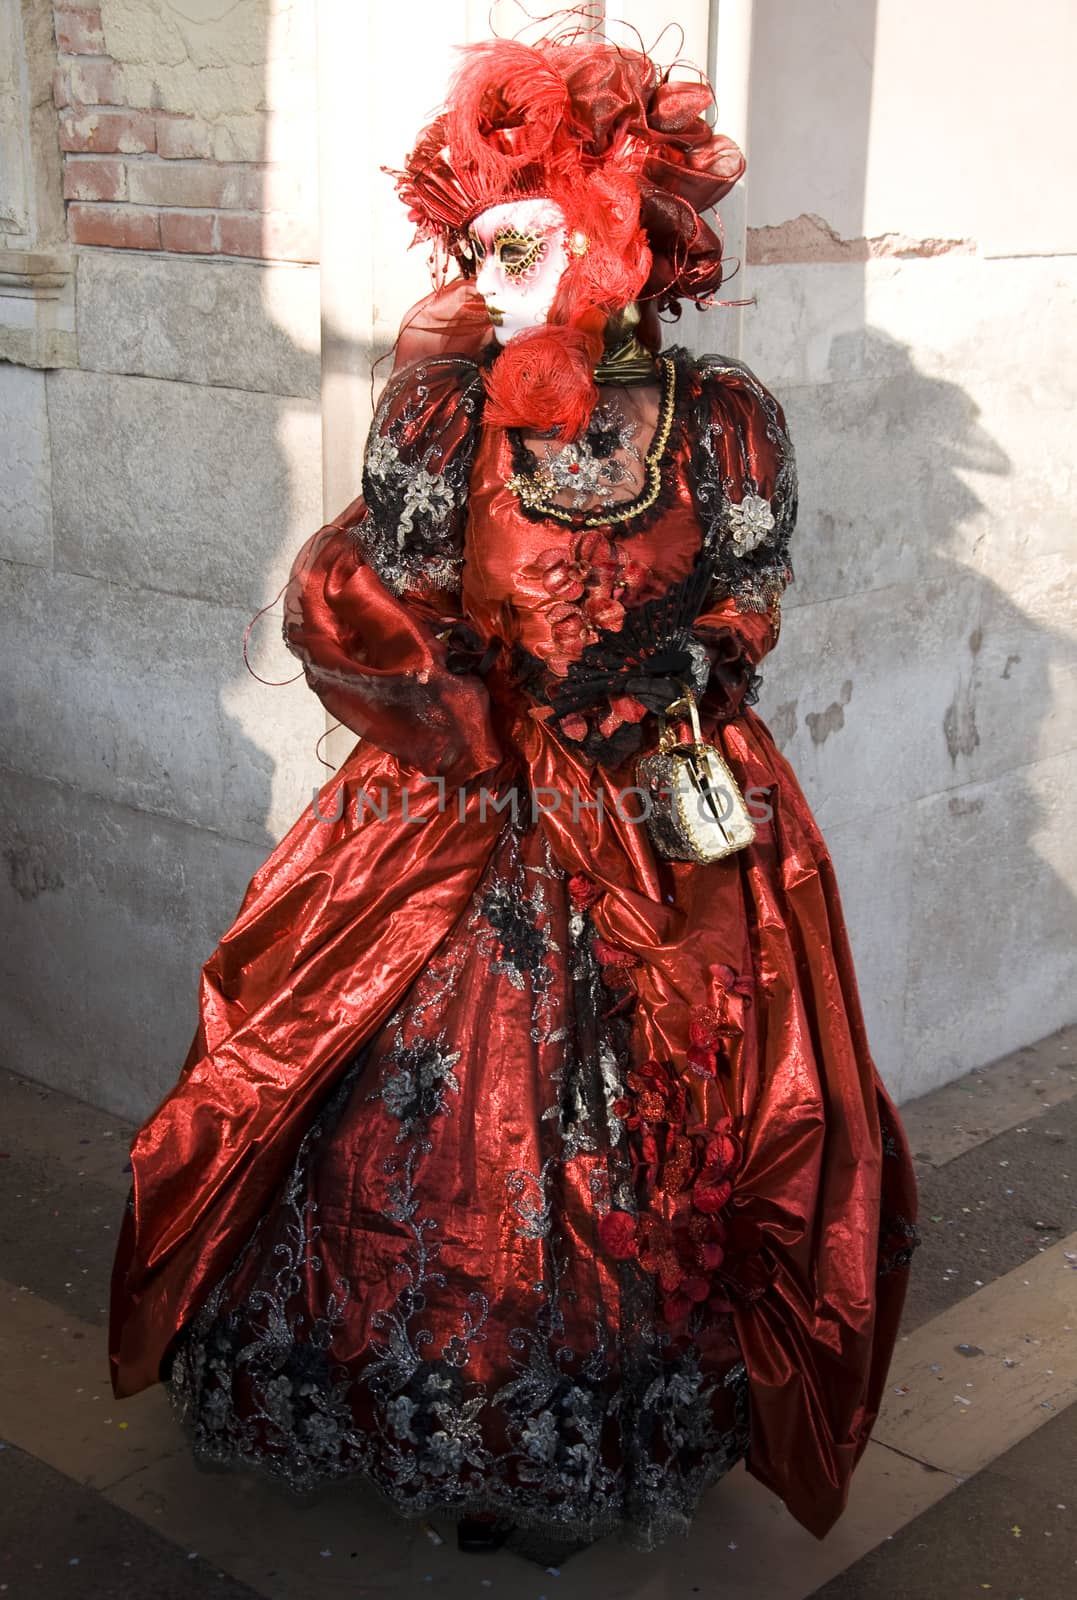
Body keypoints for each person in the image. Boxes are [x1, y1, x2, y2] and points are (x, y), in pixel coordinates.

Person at [107, 27, 919, 1566]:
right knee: (399, 1115)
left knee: (704, 1113)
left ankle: (620, 1425)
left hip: (668, 800)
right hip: (466, 805)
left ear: (625, 232)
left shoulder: (727, 409)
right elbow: (399, 587)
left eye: (525, 237)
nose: (490, 270)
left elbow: (752, 582)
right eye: (479, 239)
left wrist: (685, 663)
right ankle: (430, 1420)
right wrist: (472, 688)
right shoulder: (439, 408)